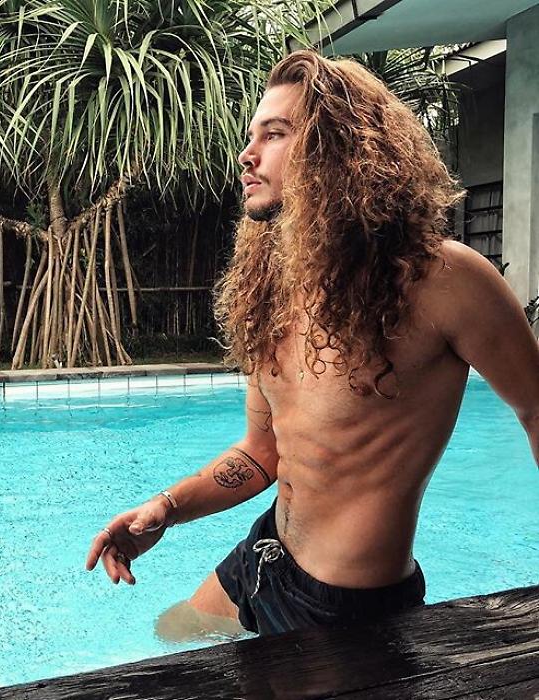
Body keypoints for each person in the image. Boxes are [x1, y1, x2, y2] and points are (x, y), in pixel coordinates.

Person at [85, 49, 539, 639]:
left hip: (345, 607)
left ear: (339, 148)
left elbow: (535, 408)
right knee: (169, 637)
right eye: (252, 136)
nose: (247, 154)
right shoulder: (275, 286)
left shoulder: (444, 281)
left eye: (274, 134)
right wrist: (167, 508)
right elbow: (261, 454)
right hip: (266, 554)